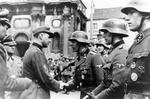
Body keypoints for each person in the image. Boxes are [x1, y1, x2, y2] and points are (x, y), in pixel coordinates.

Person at [83, 18, 129, 99]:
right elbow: (105, 83)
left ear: (114, 33)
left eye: (106, 32)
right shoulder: (113, 51)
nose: (103, 35)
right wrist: (92, 94)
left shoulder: (122, 52)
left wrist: (98, 98)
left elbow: (117, 86)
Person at [22, 26, 68, 99]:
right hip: (37, 94)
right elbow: (45, 77)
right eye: (49, 37)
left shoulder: (31, 50)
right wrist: (59, 85)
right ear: (41, 36)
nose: (50, 40)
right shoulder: (37, 53)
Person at [121, 0, 150, 98]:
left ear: (146, 14)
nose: (126, 18)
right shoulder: (137, 41)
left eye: (132, 13)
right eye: (126, 14)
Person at [64, 31, 105, 98]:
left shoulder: (93, 56)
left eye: (74, 42)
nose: (71, 44)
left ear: (81, 43)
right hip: (83, 94)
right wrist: (66, 86)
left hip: (93, 95)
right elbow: (77, 79)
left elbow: (101, 81)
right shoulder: (78, 57)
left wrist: (95, 95)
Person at [0, 15, 32, 99]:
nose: (13, 48)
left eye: (14, 46)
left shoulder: (17, 60)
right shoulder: (1, 51)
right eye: (5, 28)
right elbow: (6, 82)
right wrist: (28, 82)